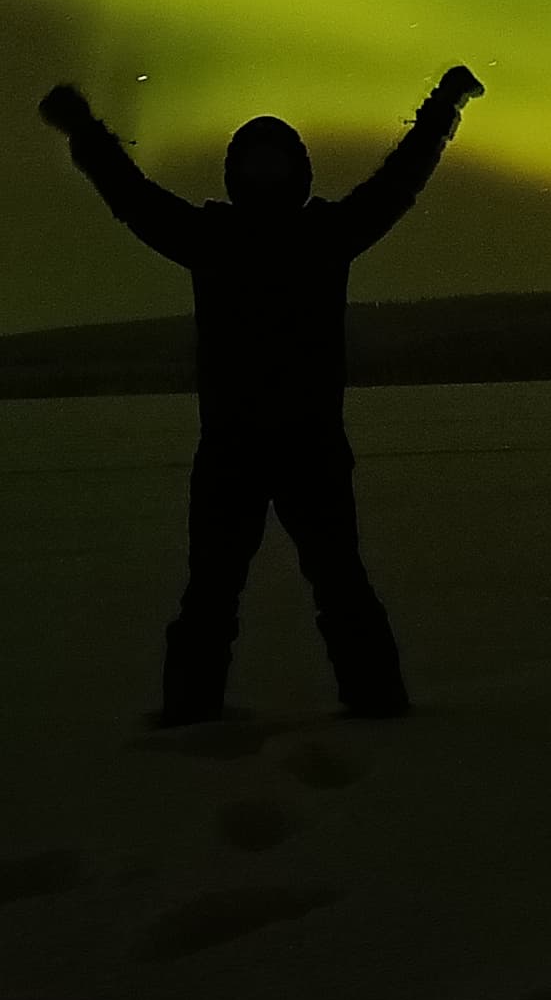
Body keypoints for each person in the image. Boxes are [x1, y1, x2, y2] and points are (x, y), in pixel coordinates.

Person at [40, 66, 484, 725]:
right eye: (257, 162)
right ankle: (193, 716)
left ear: (298, 172)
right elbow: (131, 195)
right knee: (215, 595)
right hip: (233, 450)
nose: (267, 173)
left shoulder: (321, 236)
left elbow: (399, 183)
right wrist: (84, 131)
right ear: (236, 174)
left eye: (277, 162)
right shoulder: (215, 240)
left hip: (308, 448)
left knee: (340, 586)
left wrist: (442, 111)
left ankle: (378, 711)